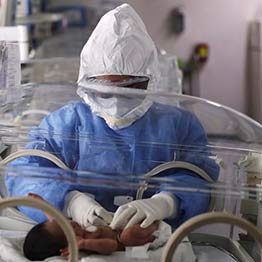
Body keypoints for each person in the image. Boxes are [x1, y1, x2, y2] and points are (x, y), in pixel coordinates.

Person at [6, 3, 219, 230]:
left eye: (131, 88)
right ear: (87, 80)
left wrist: (166, 202)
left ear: (151, 79)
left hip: (160, 240)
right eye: (106, 90)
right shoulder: (65, 124)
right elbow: (23, 175)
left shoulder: (179, 126)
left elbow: (201, 178)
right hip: (77, 235)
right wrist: (70, 202)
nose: (117, 101)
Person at [24, 193, 158, 261]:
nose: (69, 223)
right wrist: (86, 243)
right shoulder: (88, 244)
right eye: (67, 228)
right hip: (124, 243)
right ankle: (155, 233)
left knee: (128, 216)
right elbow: (111, 245)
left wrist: (42, 204)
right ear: (67, 247)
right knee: (128, 235)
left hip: (115, 224)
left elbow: (55, 220)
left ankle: (155, 223)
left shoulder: (69, 230)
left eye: (64, 222)